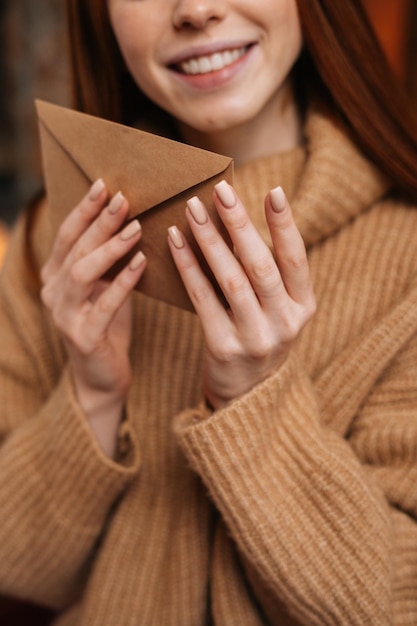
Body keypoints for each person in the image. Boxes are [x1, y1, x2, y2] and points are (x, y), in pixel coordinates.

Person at [1, 0, 417, 624]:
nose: (196, 9)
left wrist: (257, 399)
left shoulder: (407, 260)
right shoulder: (52, 244)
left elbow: (381, 609)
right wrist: (91, 396)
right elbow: (19, 569)